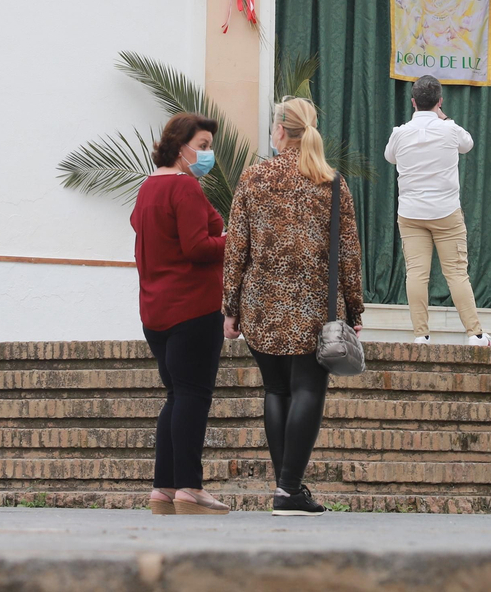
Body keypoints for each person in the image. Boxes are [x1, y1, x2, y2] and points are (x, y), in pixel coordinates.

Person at [223, 96, 364, 516]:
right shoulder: (331, 182)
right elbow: (349, 254)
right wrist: (354, 311)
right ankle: (288, 490)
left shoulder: (253, 178)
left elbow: (236, 249)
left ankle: (288, 489)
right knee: (307, 388)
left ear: (281, 131)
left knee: (276, 389)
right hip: (315, 306)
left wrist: (229, 306)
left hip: (262, 304)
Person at [129, 112, 229, 516]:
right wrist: (236, 240)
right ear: (181, 146)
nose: (208, 154)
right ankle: (190, 487)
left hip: (155, 309)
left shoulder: (147, 188)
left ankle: (164, 488)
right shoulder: (185, 188)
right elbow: (197, 247)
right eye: (203, 146)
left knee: (175, 397)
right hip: (193, 307)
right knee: (193, 396)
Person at [383, 75, 491, 346]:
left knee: (416, 273)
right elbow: (468, 144)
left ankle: (421, 335)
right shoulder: (451, 129)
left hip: (411, 214)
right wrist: (443, 117)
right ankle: (475, 334)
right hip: (446, 213)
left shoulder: (400, 133)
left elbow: (389, 157)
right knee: (456, 273)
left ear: (413, 102)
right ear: (440, 102)